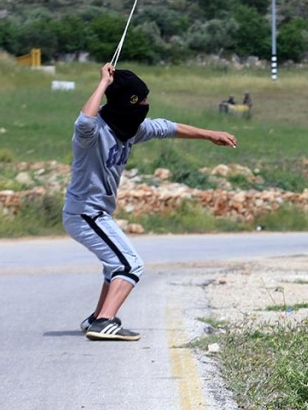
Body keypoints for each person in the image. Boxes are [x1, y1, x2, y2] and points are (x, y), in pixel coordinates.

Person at [63, 63, 237, 341]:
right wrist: (103, 84)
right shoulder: (93, 134)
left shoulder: (130, 129)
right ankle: (104, 322)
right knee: (130, 265)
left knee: (115, 265)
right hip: (84, 213)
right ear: (128, 102)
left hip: (98, 214)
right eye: (141, 100)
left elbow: (167, 127)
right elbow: (83, 121)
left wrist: (210, 134)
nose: (146, 104)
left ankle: (97, 317)